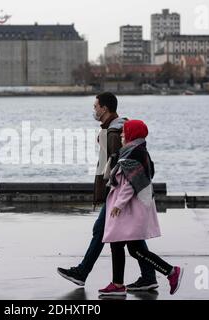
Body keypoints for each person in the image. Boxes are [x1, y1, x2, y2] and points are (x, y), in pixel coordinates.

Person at [57, 93, 159, 291]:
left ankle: (84, 273)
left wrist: (115, 198)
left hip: (118, 193)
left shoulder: (114, 133)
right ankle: (148, 276)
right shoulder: (114, 128)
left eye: (96, 106)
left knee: (103, 232)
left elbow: (120, 167)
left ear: (105, 108)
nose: (94, 110)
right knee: (133, 239)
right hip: (120, 194)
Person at [98, 119, 184, 296]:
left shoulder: (134, 153)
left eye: (125, 132)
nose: (121, 134)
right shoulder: (136, 150)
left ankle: (171, 271)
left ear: (132, 133)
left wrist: (119, 205)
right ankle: (118, 284)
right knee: (118, 244)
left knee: (134, 248)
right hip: (131, 206)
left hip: (130, 208)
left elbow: (131, 183)